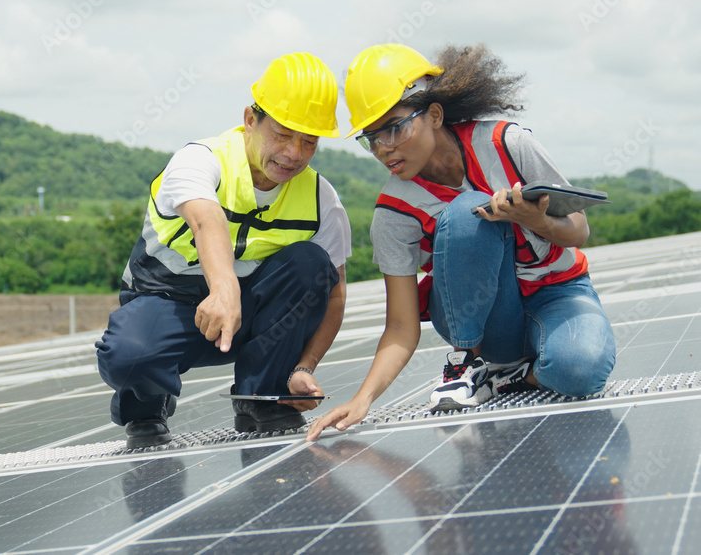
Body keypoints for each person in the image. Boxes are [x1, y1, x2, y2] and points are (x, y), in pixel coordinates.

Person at [307, 44, 615, 441]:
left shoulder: (508, 144)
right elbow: (401, 325)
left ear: (434, 115)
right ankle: (465, 365)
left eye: (395, 127)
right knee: (467, 210)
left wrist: (534, 218)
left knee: (579, 370)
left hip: (558, 292)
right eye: (372, 137)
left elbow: (579, 229)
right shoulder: (393, 213)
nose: (384, 147)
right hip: (486, 323)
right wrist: (363, 399)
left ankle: (507, 379)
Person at [96, 52, 352, 449]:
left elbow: (334, 293)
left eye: (309, 141)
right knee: (130, 358)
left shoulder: (321, 199)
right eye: (283, 134)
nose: (294, 154)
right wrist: (224, 291)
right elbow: (206, 221)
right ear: (251, 119)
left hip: (249, 320)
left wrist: (305, 365)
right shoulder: (199, 160)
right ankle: (147, 401)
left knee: (311, 264)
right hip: (167, 308)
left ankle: (262, 395)